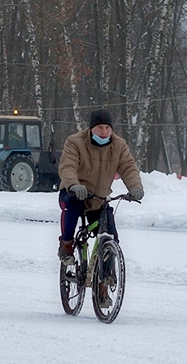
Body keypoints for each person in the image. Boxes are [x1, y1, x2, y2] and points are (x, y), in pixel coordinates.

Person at [57, 108, 145, 307]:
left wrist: (135, 188)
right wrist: (73, 184)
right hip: (75, 192)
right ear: (91, 129)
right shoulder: (75, 142)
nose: (104, 132)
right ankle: (67, 246)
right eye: (99, 128)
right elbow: (67, 165)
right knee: (71, 206)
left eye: (107, 128)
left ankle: (103, 287)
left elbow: (128, 167)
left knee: (110, 236)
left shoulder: (119, 145)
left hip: (99, 198)